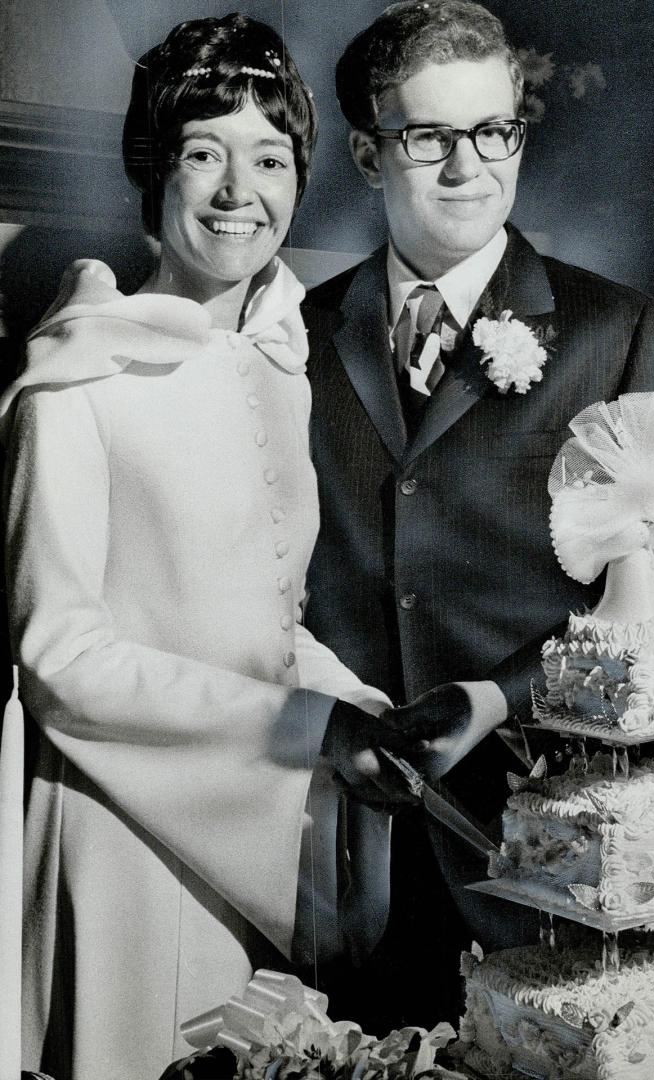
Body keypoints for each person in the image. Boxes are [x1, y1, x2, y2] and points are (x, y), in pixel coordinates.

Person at [0, 14, 412, 1080]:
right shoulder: (77, 379)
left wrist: (364, 711)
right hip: (121, 836)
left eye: (269, 158)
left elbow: (263, 620)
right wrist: (299, 726)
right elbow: (60, 658)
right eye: (203, 154)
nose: (240, 191)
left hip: (250, 835)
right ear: (154, 173)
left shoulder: (277, 360)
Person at [303, 0, 654, 1028]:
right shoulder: (299, 332)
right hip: (340, 852)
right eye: (429, 137)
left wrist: (495, 699)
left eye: (493, 131)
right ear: (367, 153)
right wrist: (323, 717)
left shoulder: (616, 330)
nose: (469, 166)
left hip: (542, 859)